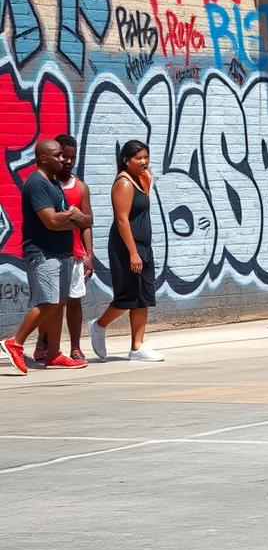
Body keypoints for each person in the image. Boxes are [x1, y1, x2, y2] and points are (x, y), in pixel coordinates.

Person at [1, 139, 91, 374]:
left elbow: (82, 221)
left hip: (61, 253)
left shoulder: (53, 182)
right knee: (48, 302)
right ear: (43, 159)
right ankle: (15, 343)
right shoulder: (37, 184)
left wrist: (71, 219)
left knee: (58, 302)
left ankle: (53, 354)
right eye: (58, 155)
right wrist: (72, 215)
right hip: (43, 253)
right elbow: (50, 221)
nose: (64, 159)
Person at [89, 140, 163, 362]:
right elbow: (122, 220)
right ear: (125, 160)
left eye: (145, 157)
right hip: (126, 247)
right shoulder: (123, 183)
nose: (143, 161)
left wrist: (148, 181)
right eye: (138, 158)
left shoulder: (141, 180)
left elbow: (142, 210)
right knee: (128, 296)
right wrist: (132, 252)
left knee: (143, 297)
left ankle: (137, 347)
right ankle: (99, 325)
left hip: (143, 245)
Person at [33, 134, 94, 363]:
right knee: (49, 301)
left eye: (72, 157)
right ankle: (44, 341)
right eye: (63, 156)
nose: (67, 161)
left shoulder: (80, 187)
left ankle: (76, 347)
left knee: (74, 300)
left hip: (75, 253)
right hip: (50, 253)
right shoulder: (47, 184)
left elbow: (88, 222)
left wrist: (89, 254)